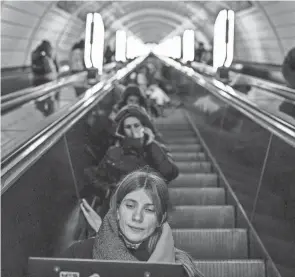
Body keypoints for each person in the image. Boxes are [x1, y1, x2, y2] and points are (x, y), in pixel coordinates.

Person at [62, 168, 204, 277]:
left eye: (149, 210)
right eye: (130, 206)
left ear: (160, 219)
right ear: (117, 211)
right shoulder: (78, 254)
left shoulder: (181, 267)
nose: (137, 217)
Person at [83, 105, 178, 216]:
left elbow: (170, 173)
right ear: (122, 131)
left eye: (136, 125)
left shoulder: (156, 148)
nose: (133, 131)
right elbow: (97, 179)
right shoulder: (114, 152)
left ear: (144, 127)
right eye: (128, 127)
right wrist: (109, 191)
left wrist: (151, 145)